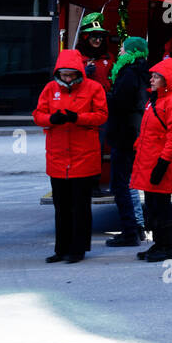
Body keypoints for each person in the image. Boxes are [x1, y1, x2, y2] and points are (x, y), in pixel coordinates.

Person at [33, 49, 108, 264]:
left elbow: (102, 116)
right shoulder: (50, 88)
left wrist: (78, 118)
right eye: (64, 75)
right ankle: (61, 249)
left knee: (80, 207)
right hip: (58, 157)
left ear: (78, 73)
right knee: (61, 207)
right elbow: (38, 115)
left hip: (83, 156)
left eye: (70, 75)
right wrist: (51, 118)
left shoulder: (94, 88)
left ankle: (78, 249)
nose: (67, 78)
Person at [132, 57, 172, 263]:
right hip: (151, 161)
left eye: (157, 77)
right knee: (153, 205)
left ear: (168, 80)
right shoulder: (156, 100)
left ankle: (167, 247)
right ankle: (159, 244)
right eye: (153, 76)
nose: (152, 79)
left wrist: (163, 163)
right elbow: (148, 131)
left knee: (162, 207)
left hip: (162, 163)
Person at [104, 36, 150, 246]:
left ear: (131, 52)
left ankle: (130, 231)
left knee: (121, 184)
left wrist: (104, 96)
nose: (120, 52)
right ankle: (136, 227)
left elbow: (119, 103)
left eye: (123, 49)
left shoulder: (128, 74)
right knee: (129, 183)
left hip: (124, 134)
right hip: (131, 133)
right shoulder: (139, 73)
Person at [77, 12, 113, 93]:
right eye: (94, 36)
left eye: (101, 37)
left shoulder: (109, 57)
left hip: (104, 99)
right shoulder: (75, 57)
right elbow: (67, 82)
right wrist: (83, 74)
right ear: (85, 37)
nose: (98, 40)